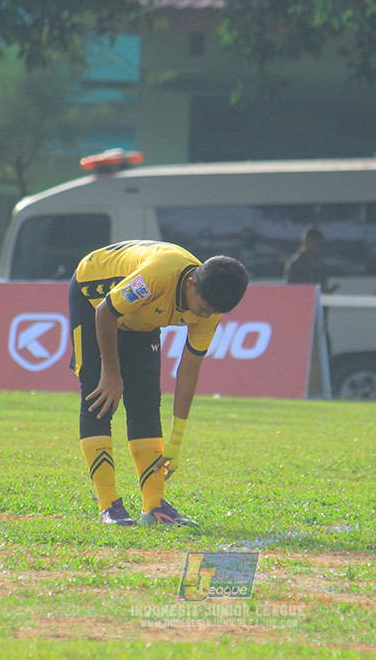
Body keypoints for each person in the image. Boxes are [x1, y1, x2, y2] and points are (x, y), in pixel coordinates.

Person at [69, 240, 249, 527]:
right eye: (202, 308)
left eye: (213, 312)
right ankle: (108, 507)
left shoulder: (210, 308)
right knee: (99, 401)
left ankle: (154, 506)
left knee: (146, 406)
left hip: (140, 317)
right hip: (94, 301)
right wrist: (112, 374)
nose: (204, 316)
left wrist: (176, 440)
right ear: (191, 284)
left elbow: (189, 370)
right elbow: (106, 312)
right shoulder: (156, 277)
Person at [284, 226, 339, 293]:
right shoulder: (296, 264)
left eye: (319, 245)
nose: (316, 248)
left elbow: (323, 285)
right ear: (304, 243)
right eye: (314, 245)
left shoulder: (321, 264)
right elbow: (291, 289)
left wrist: (327, 291)